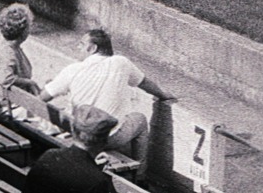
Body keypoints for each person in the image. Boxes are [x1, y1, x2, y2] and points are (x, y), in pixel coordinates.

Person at [40, 29, 171, 171]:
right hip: (110, 138)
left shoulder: (73, 69)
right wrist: (163, 95)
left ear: (93, 48)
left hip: (80, 135)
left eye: (81, 44)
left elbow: (43, 97)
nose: (78, 47)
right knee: (140, 119)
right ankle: (140, 175)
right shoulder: (122, 63)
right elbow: (144, 83)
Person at [0, 2, 43, 103]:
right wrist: (29, 82)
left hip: (11, 100)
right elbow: (4, 79)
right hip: (8, 105)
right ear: (23, 31)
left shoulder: (8, 47)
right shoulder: (9, 53)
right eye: (29, 27)